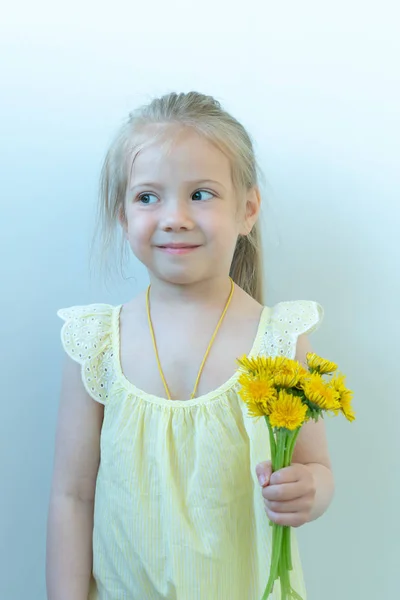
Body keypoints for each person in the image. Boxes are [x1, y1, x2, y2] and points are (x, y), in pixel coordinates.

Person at [46, 91, 335, 600]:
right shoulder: (96, 345)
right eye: (148, 197)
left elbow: (317, 468)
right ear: (122, 215)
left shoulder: (279, 339)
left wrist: (309, 491)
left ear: (247, 210)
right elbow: (72, 496)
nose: (174, 216)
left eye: (201, 194)